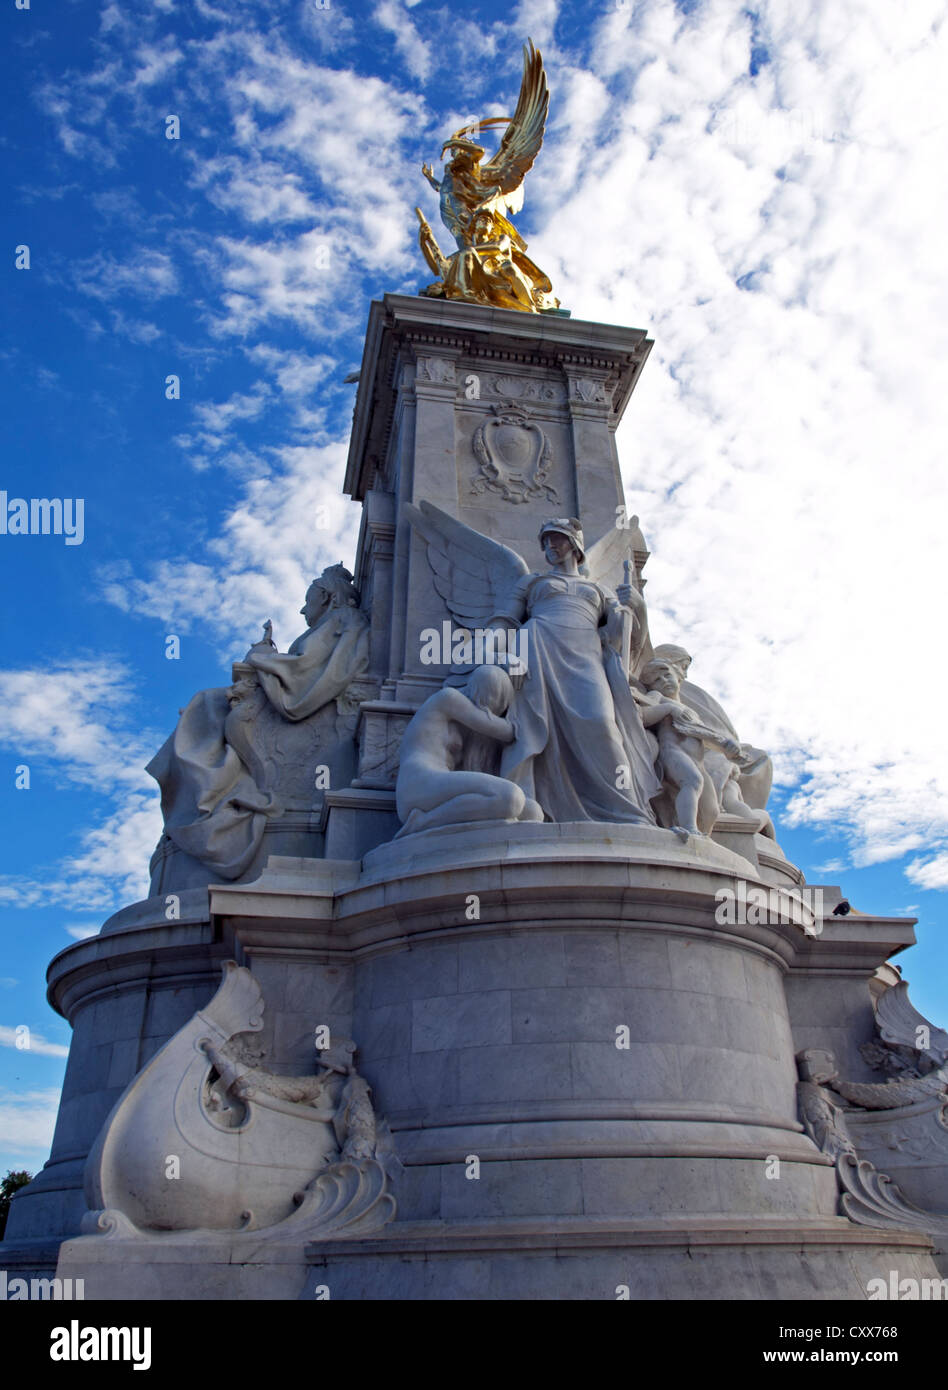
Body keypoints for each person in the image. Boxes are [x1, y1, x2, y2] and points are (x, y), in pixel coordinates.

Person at [494, 519, 661, 824]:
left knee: (602, 724)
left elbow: (620, 634)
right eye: (546, 542)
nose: (549, 547)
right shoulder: (531, 582)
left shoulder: (598, 588)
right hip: (538, 648)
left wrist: (635, 608)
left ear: (574, 545)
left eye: (556, 540)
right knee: (532, 727)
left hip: (587, 655)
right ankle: (525, 805)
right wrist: (504, 656)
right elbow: (504, 622)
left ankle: (626, 809)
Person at [395, 665, 544, 836]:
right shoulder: (448, 699)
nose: (492, 709)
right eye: (496, 701)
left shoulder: (463, 721)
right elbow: (507, 732)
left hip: (439, 786)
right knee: (511, 798)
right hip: (418, 784)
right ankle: (421, 822)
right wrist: (527, 710)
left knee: (533, 811)